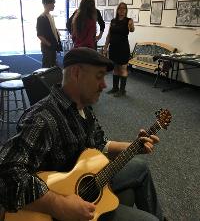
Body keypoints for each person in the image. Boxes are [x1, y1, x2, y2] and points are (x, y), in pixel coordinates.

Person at [0, 47, 165, 221]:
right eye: (99, 76)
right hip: (58, 205)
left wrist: (134, 146)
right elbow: (6, 172)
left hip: (87, 182)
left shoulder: (83, 106)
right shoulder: (43, 118)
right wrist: (58, 205)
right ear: (77, 73)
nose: (104, 85)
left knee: (140, 167)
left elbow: (99, 144)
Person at [103, 2, 135, 97]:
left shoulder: (128, 20)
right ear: (117, 10)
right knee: (115, 68)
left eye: (124, 8)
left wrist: (131, 25)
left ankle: (122, 90)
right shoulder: (113, 21)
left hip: (123, 48)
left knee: (123, 68)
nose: (122, 10)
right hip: (113, 48)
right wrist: (105, 47)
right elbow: (109, 35)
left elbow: (132, 30)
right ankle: (115, 88)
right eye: (120, 8)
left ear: (126, 10)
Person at [36, 0, 62, 68]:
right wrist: (49, 45)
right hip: (47, 47)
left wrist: (57, 33)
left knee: (53, 66)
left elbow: (52, 29)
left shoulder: (50, 16)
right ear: (46, 4)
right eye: (52, 4)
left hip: (53, 46)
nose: (54, 6)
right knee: (46, 67)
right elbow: (39, 35)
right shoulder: (41, 18)